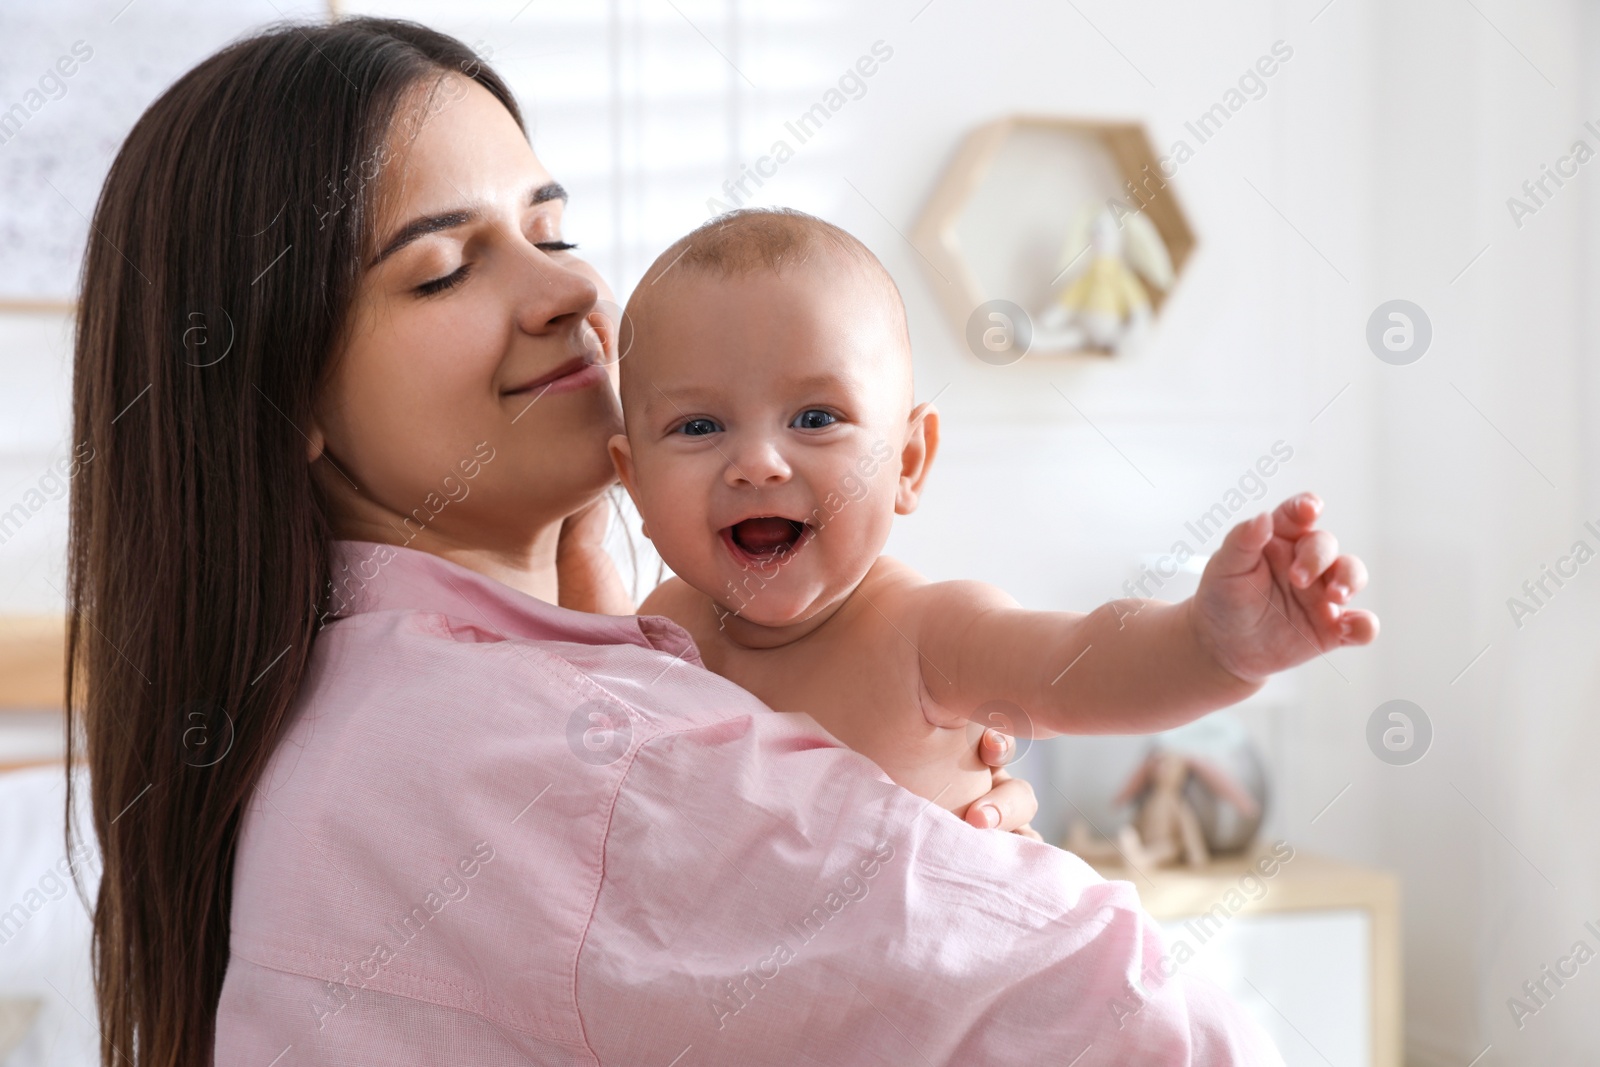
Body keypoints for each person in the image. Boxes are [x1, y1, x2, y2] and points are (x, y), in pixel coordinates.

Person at [65, 17, 1282, 1065]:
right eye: (443, 269)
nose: (566, 289)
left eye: (549, 228)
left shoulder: (346, 702)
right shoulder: (566, 758)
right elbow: (1146, 1020)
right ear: (288, 403)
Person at [609, 208, 1376, 822]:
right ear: (635, 485)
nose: (759, 463)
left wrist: (1211, 644)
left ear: (908, 461)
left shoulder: (926, 634)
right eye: (699, 427)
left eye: (814, 418)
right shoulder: (659, 636)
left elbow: (1076, 664)